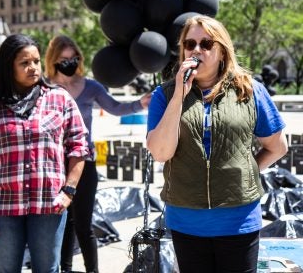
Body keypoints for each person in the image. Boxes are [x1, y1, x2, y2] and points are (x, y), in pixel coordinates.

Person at [146, 15, 288, 273]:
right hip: (186, 221)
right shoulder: (164, 94)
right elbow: (160, 152)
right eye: (190, 44)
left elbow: (277, 146)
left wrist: (247, 172)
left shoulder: (250, 90)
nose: (197, 50)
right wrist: (179, 93)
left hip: (239, 220)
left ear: (222, 50)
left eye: (206, 44)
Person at [0, 34, 88, 273]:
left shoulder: (59, 99)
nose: (33, 67)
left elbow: (79, 146)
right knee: (4, 269)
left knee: (47, 269)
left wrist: (69, 191)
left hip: (49, 206)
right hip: (3, 208)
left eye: (35, 61)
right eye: (24, 63)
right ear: (7, 66)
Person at [44, 35, 151, 273]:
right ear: (53, 60)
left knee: (83, 224)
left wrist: (140, 104)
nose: (70, 63)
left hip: (84, 163)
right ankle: (65, 269)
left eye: (74, 58)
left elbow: (115, 107)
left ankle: (93, 270)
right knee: (63, 224)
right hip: (53, 165)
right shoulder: (45, 87)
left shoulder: (90, 86)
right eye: (64, 59)